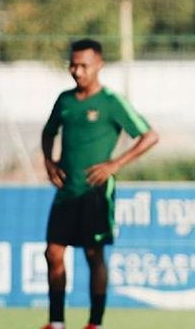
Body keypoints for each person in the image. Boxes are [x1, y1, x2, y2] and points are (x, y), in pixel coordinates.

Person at [41, 39, 159, 329]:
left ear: (99, 65)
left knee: (94, 255)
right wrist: (48, 160)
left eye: (84, 66)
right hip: (67, 191)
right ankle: (56, 322)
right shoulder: (65, 100)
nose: (77, 71)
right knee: (53, 252)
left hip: (95, 192)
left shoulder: (111, 102)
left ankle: (95, 323)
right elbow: (48, 133)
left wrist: (115, 164)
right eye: (73, 65)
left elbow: (149, 136)